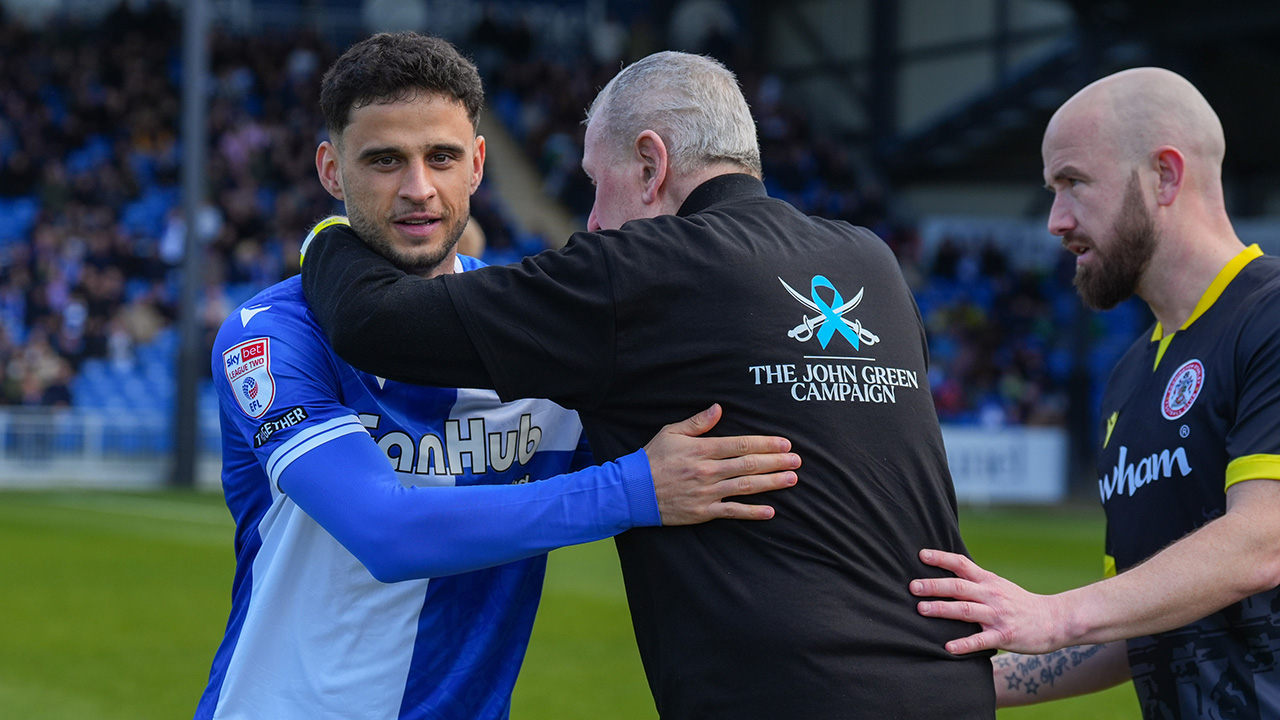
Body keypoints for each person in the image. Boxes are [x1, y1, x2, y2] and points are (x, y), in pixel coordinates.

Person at [301, 49, 994, 718]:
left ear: (650, 164)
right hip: (953, 688)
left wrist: (332, 227)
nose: (593, 221)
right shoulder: (872, 262)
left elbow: (373, 321)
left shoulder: (642, 268)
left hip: (792, 698)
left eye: (595, 184)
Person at [194, 33, 802, 720]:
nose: (418, 189)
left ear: (478, 164)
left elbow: (743, 446)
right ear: (332, 171)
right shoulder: (270, 335)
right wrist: (633, 488)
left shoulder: (546, 331)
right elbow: (386, 532)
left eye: (442, 157)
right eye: (385, 160)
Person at [909, 67, 1280, 717]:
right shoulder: (1130, 378)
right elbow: (1136, 626)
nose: (1056, 221)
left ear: (1165, 175)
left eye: (1074, 183)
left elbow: (1263, 541)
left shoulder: (1269, 317)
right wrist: (939, 685)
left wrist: (1054, 614)